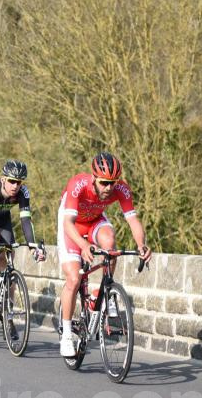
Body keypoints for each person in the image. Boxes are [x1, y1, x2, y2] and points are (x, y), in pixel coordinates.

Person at [58, 152, 152, 357]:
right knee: (74, 279)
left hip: (94, 220)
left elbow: (133, 220)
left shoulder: (121, 189)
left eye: (112, 183)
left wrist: (141, 245)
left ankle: (103, 292)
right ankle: (66, 336)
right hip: (71, 224)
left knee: (110, 243)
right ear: (93, 177)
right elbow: (67, 224)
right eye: (104, 183)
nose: (108, 188)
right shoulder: (78, 185)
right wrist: (83, 245)